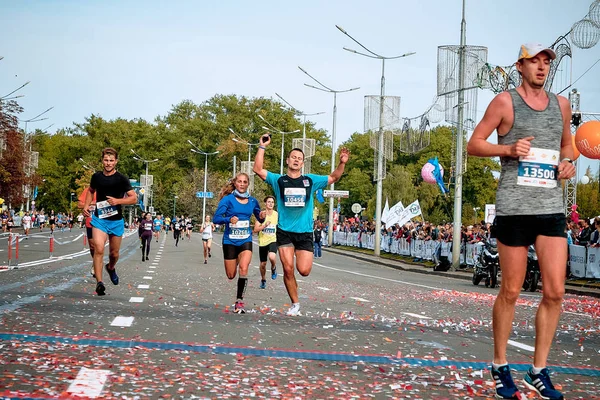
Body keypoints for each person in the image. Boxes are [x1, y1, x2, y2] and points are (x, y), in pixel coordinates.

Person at [467, 43, 575, 400]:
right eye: (535, 61)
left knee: (555, 291)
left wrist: (568, 163)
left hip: (549, 206)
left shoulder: (561, 105)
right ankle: (500, 364)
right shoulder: (504, 102)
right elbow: (475, 143)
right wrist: (508, 149)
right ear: (520, 66)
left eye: (547, 62)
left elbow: (568, 147)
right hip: (514, 206)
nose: (542, 67)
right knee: (511, 290)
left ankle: (538, 370)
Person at [254, 135, 349, 316]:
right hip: (284, 232)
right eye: (293, 158)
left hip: (304, 232)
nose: (296, 160)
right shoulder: (278, 180)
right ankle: (295, 303)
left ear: (302, 163)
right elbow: (257, 169)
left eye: (300, 159)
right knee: (288, 269)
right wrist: (262, 146)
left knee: (303, 271)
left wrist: (342, 163)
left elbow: (334, 177)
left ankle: (294, 289)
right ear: (288, 161)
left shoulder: (310, 181)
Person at [83, 148, 137, 296]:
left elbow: (134, 198)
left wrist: (117, 201)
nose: (108, 163)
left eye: (111, 160)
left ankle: (111, 267)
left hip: (116, 221)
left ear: (116, 162)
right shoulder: (97, 177)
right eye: (106, 160)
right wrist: (87, 206)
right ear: (102, 161)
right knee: (98, 248)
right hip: (100, 219)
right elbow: (90, 191)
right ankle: (99, 283)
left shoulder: (121, 179)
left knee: (114, 253)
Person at [213, 173, 265, 314]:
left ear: (248, 184)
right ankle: (234, 260)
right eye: (239, 182)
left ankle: (239, 301)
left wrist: (262, 216)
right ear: (235, 183)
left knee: (243, 268)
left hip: (245, 239)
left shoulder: (253, 201)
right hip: (230, 240)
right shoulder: (228, 200)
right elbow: (216, 219)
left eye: (245, 182)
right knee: (231, 275)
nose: (242, 184)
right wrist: (229, 219)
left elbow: (259, 218)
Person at [253, 195, 278, 289]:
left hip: (273, 240)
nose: (270, 204)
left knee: (272, 256)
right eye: (269, 202)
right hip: (263, 241)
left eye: (272, 202)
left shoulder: (276, 214)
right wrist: (264, 226)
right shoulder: (261, 214)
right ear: (265, 203)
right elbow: (255, 229)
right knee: (263, 264)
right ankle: (263, 279)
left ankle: (273, 267)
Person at [78, 187, 97, 277]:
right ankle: (95, 262)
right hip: (90, 221)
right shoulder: (88, 190)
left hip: (102, 222)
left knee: (99, 245)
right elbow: (79, 204)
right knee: (92, 247)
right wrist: (90, 204)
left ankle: (96, 265)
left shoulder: (106, 190)